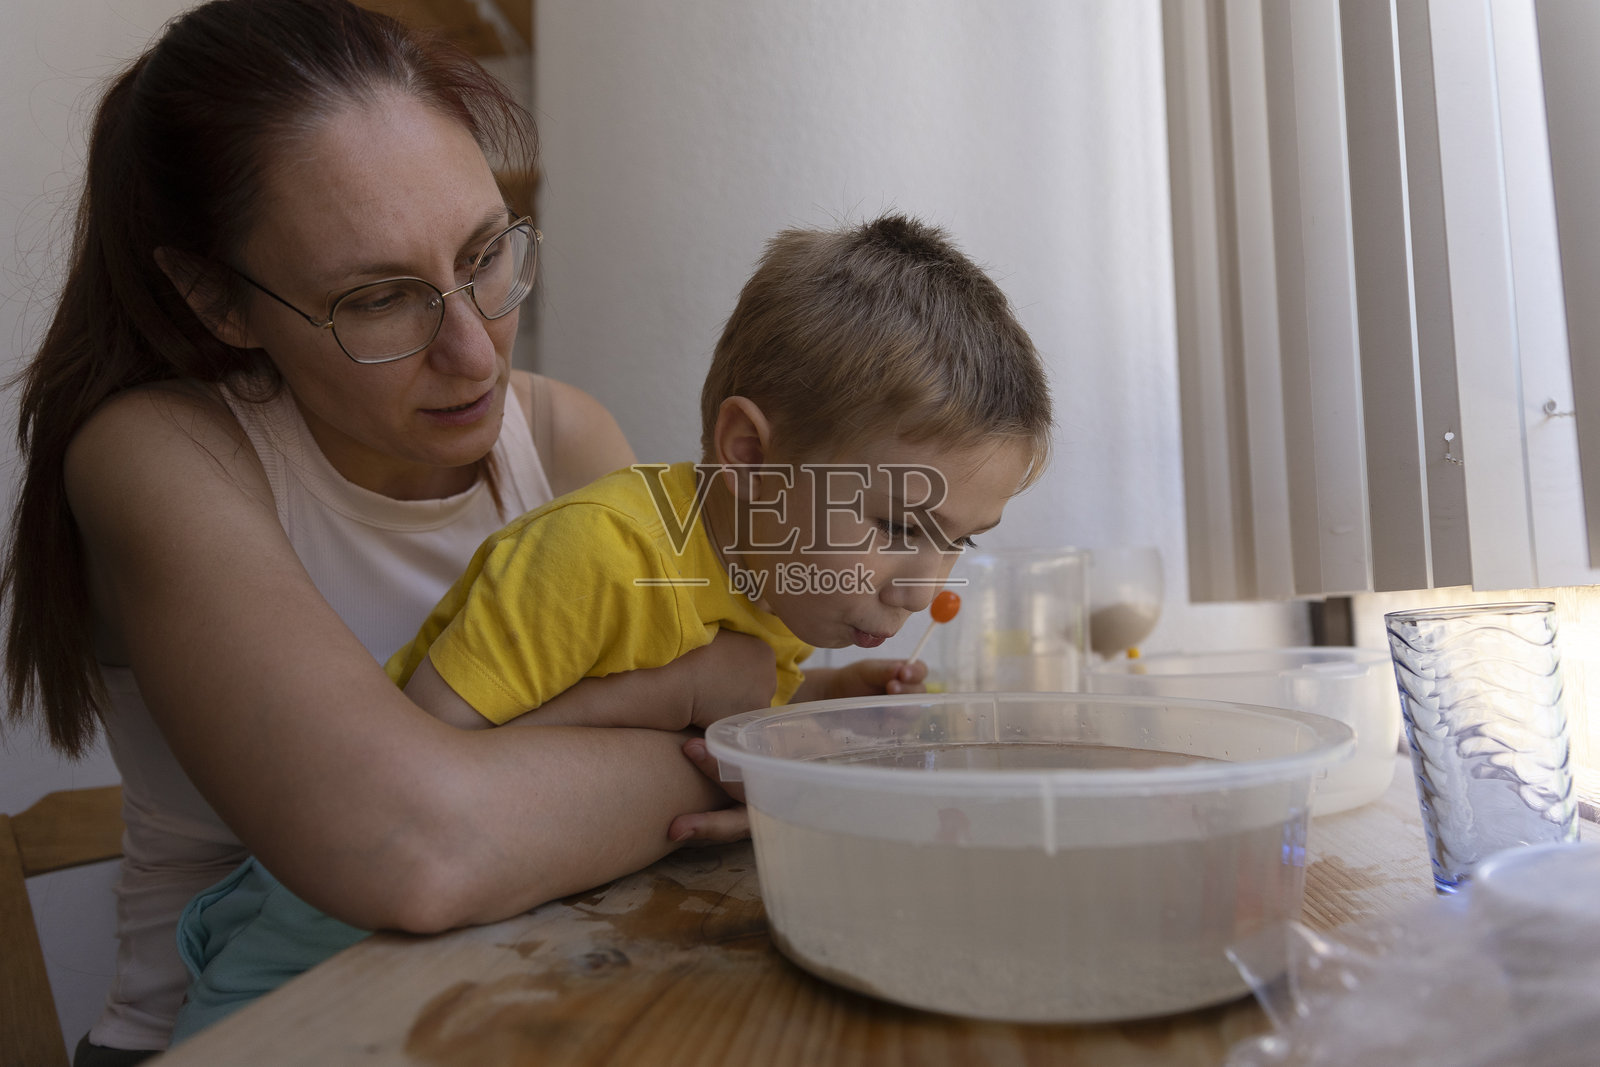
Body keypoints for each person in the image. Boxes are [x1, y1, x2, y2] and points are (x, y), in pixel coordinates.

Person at [2, 1, 872, 1062]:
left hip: (507, 999)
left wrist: (745, 735)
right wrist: (736, 751)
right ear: (214, 298)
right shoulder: (157, 455)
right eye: (378, 297)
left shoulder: (560, 433)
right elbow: (416, 847)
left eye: (485, 253)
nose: (474, 352)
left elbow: (724, 697)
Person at [168, 211, 1054, 1041]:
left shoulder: (777, 579)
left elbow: (731, 688)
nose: (923, 589)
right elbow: (434, 762)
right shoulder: (598, 555)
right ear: (748, 455)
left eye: (959, 540)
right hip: (299, 977)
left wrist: (819, 698)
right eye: (900, 527)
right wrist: (684, 696)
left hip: (457, 973)